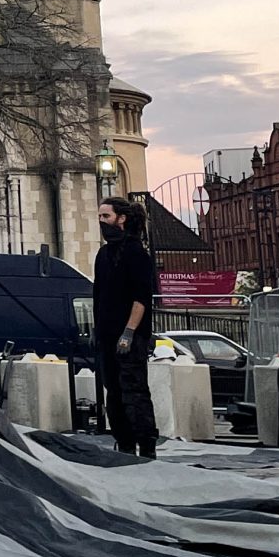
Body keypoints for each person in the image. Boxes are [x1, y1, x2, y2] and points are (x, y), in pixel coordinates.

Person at [94, 195, 158, 459]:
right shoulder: (103, 254)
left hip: (128, 336)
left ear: (121, 218)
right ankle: (125, 444)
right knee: (114, 394)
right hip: (107, 335)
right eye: (99, 217)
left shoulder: (136, 253)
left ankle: (146, 447)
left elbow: (141, 298)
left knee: (134, 393)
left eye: (106, 216)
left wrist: (129, 333)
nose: (102, 222)